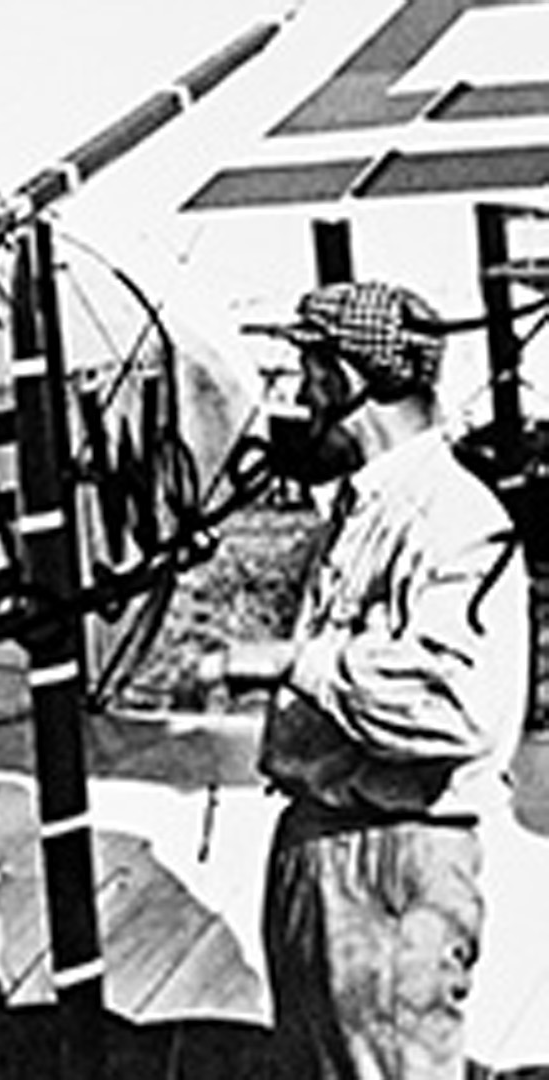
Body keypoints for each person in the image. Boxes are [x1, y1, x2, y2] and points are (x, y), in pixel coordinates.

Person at [233, 282, 530, 1078]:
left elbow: (458, 710)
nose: (297, 396)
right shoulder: (368, 508)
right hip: (324, 844)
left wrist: (299, 664)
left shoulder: (455, 516)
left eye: (306, 370)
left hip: (392, 858)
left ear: (348, 377)